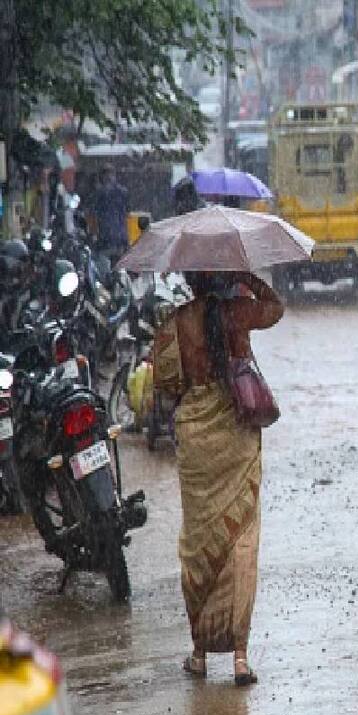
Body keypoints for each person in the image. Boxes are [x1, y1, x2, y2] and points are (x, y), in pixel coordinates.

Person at [153, 270, 284, 685]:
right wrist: (250, 278)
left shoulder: (173, 323)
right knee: (241, 537)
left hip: (196, 438)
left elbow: (164, 383)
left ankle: (199, 652)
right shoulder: (236, 313)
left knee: (198, 542)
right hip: (235, 432)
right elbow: (276, 308)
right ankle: (241, 657)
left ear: (190, 281)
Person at [93, 165, 129, 266]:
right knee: (119, 265)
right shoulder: (122, 192)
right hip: (118, 236)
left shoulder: (100, 193)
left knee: (105, 266)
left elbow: (95, 212)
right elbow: (126, 212)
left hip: (107, 237)